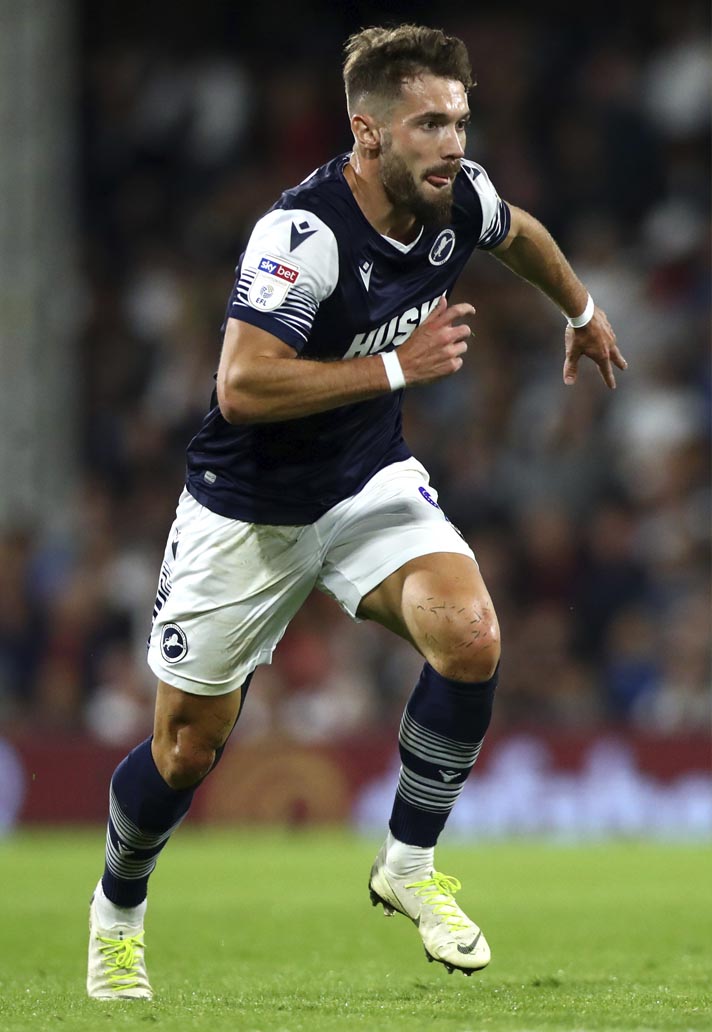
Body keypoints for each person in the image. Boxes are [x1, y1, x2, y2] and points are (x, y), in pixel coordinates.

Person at [87, 23, 626, 999]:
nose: (453, 144)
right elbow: (241, 386)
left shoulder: (457, 198)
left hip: (364, 481)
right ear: (368, 133)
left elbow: (521, 235)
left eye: (459, 121)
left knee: (469, 634)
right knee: (186, 750)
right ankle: (118, 908)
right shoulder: (303, 236)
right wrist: (394, 367)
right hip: (246, 511)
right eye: (429, 124)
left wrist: (582, 314)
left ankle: (407, 867)